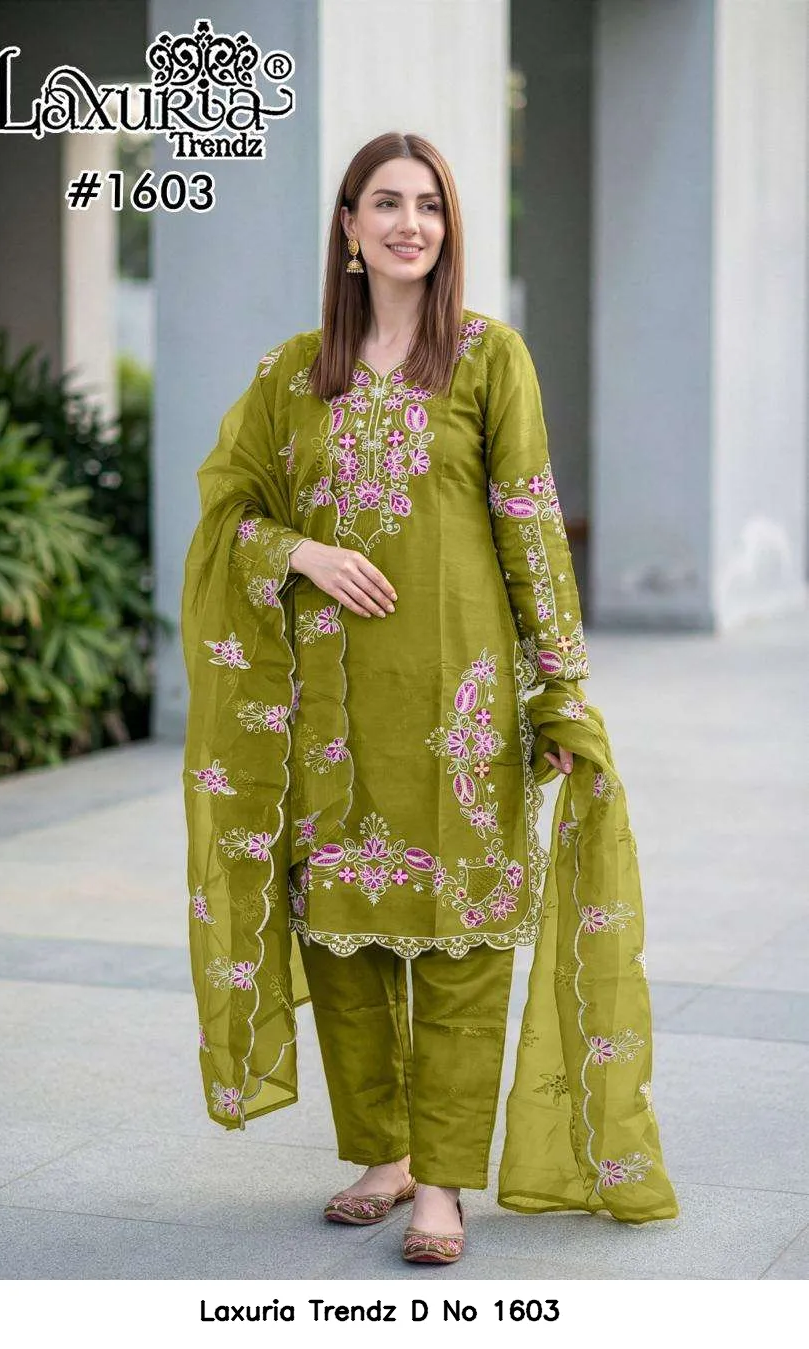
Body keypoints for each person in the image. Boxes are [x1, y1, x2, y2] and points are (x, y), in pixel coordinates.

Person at [181, 132, 679, 1267]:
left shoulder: (488, 358)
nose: (411, 224)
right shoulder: (291, 376)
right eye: (388, 203)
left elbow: (530, 522)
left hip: (463, 714)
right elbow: (227, 515)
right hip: (330, 717)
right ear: (349, 227)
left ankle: (444, 1183)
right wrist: (300, 553)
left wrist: (559, 689)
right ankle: (384, 1156)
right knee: (344, 946)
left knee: (462, 945)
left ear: (449, 230)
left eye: (431, 206)